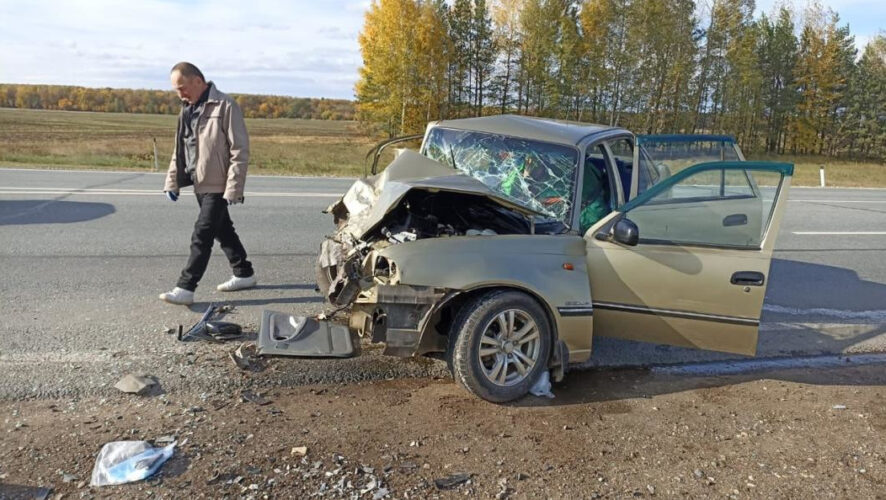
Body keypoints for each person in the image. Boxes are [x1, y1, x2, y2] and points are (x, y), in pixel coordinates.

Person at [159, 62, 256, 305]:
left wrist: (234, 188)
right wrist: (172, 181)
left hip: (218, 185)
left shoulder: (225, 105)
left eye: (182, 88)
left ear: (198, 81)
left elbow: (239, 149)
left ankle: (186, 287)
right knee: (223, 231)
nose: (180, 94)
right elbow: (180, 149)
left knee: (202, 234)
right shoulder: (187, 110)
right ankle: (244, 273)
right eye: (176, 90)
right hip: (199, 182)